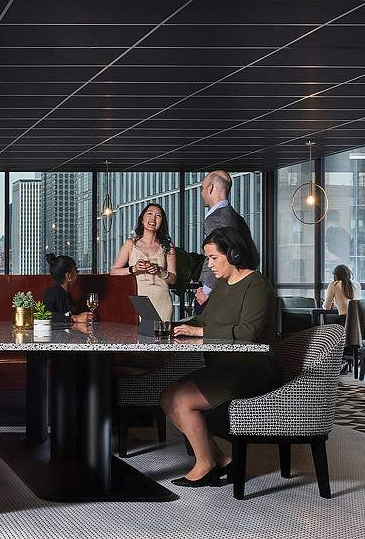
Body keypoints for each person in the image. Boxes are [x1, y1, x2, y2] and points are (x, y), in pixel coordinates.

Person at [160, 227, 279, 488]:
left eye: (214, 257)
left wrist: (198, 330)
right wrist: (179, 326)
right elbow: (204, 320)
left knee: (182, 398)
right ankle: (223, 461)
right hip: (225, 367)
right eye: (208, 258)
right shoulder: (224, 284)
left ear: (234, 253)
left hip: (251, 371)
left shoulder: (257, 285)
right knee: (167, 395)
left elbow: (248, 333)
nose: (209, 264)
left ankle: (205, 466)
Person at [195, 171, 255, 315]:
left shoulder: (216, 218)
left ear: (210, 188)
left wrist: (207, 289)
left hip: (217, 291)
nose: (202, 193)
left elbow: (215, 255)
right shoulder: (236, 217)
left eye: (203, 188)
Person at [110, 203, 176, 321]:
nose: (153, 218)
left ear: (162, 222)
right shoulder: (130, 244)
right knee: (137, 338)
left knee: (162, 338)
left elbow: (173, 278)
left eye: (158, 216)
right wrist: (133, 269)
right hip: (138, 302)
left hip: (162, 301)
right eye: (149, 214)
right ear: (142, 219)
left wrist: (160, 271)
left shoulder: (167, 246)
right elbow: (114, 271)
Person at [41, 254, 93, 326]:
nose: (78, 273)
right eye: (76, 270)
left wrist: (86, 318)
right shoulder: (50, 292)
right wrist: (75, 318)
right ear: (69, 275)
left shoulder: (67, 295)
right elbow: (46, 316)